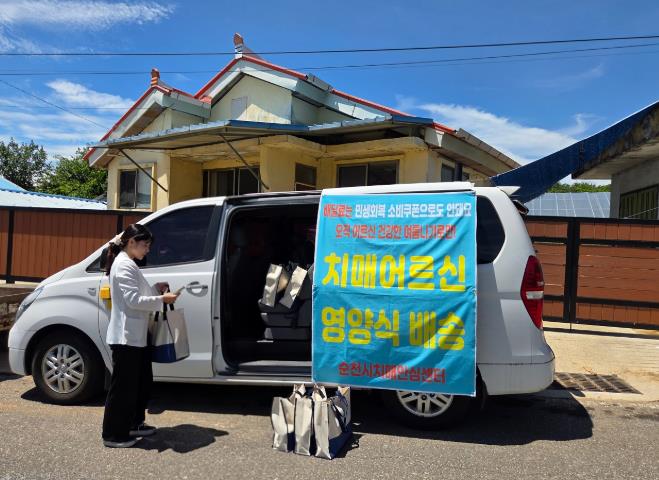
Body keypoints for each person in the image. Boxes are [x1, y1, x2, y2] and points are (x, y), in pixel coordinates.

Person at [101, 224, 179, 448]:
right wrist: (162, 300)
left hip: (136, 335)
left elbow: (138, 294)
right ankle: (113, 434)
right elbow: (133, 300)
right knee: (123, 388)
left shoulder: (129, 263)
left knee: (139, 383)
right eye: (145, 245)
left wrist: (155, 289)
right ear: (131, 242)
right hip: (126, 337)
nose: (147, 250)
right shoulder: (124, 265)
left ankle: (134, 423)